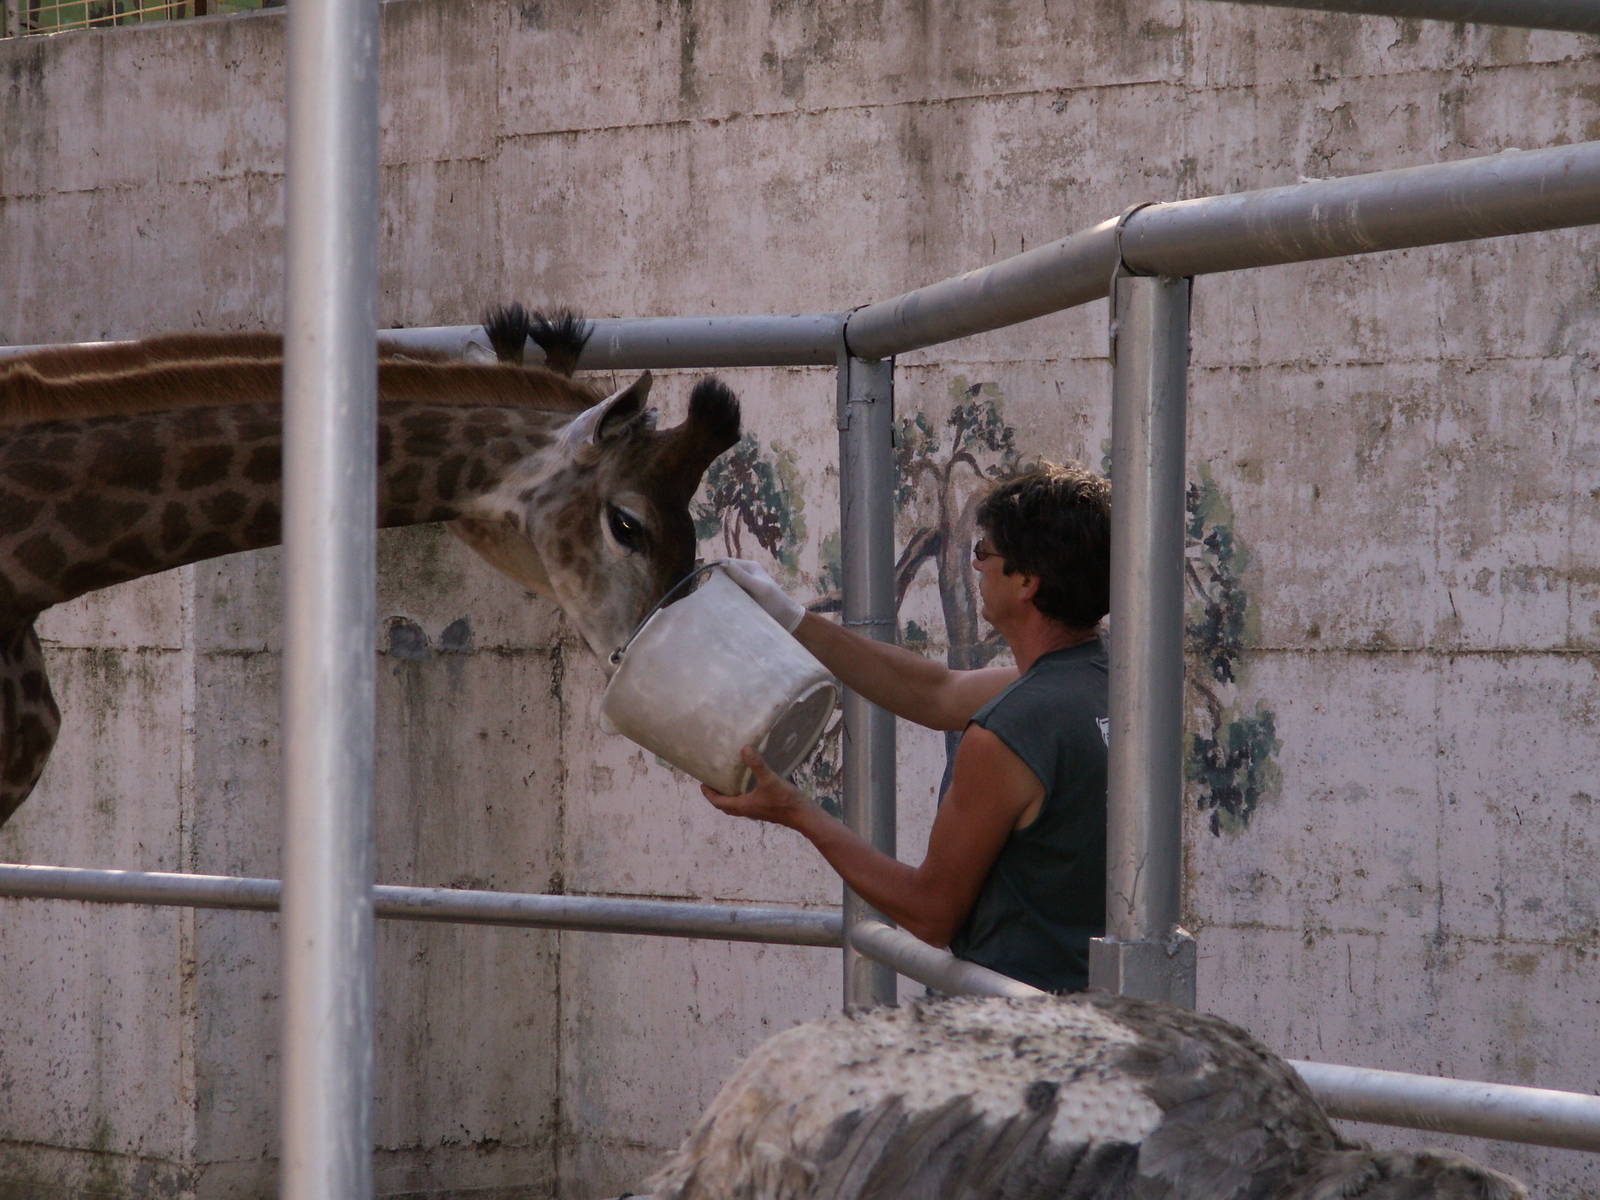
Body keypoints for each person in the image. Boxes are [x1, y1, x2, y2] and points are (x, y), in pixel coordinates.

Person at [703, 460, 1111, 993]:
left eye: (983, 553)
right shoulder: (1109, 687)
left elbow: (931, 914)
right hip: (1103, 1014)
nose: (977, 567)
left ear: (1027, 582)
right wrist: (790, 618)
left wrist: (797, 812)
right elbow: (934, 691)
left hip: (1015, 1031)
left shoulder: (1007, 732)